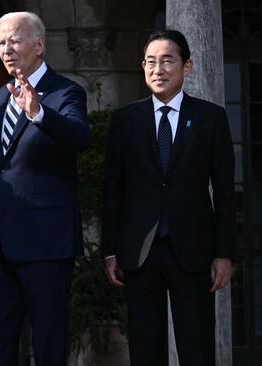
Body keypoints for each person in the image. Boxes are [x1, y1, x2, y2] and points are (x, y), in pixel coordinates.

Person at [0, 11, 90, 365]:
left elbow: (79, 138)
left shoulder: (66, 92)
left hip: (47, 243)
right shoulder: (0, 97)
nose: (6, 49)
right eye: (0, 42)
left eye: (14, 40)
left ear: (39, 45)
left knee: (47, 342)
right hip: (2, 244)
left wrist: (38, 113)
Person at [102, 29, 235, 366]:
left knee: (197, 349)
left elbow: (223, 191)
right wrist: (110, 250)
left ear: (186, 66)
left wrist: (224, 253)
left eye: (166, 61)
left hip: (192, 249)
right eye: (150, 62)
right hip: (139, 252)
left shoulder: (211, 118)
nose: (157, 69)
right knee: (145, 350)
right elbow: (113, 189)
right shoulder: (125, 120)